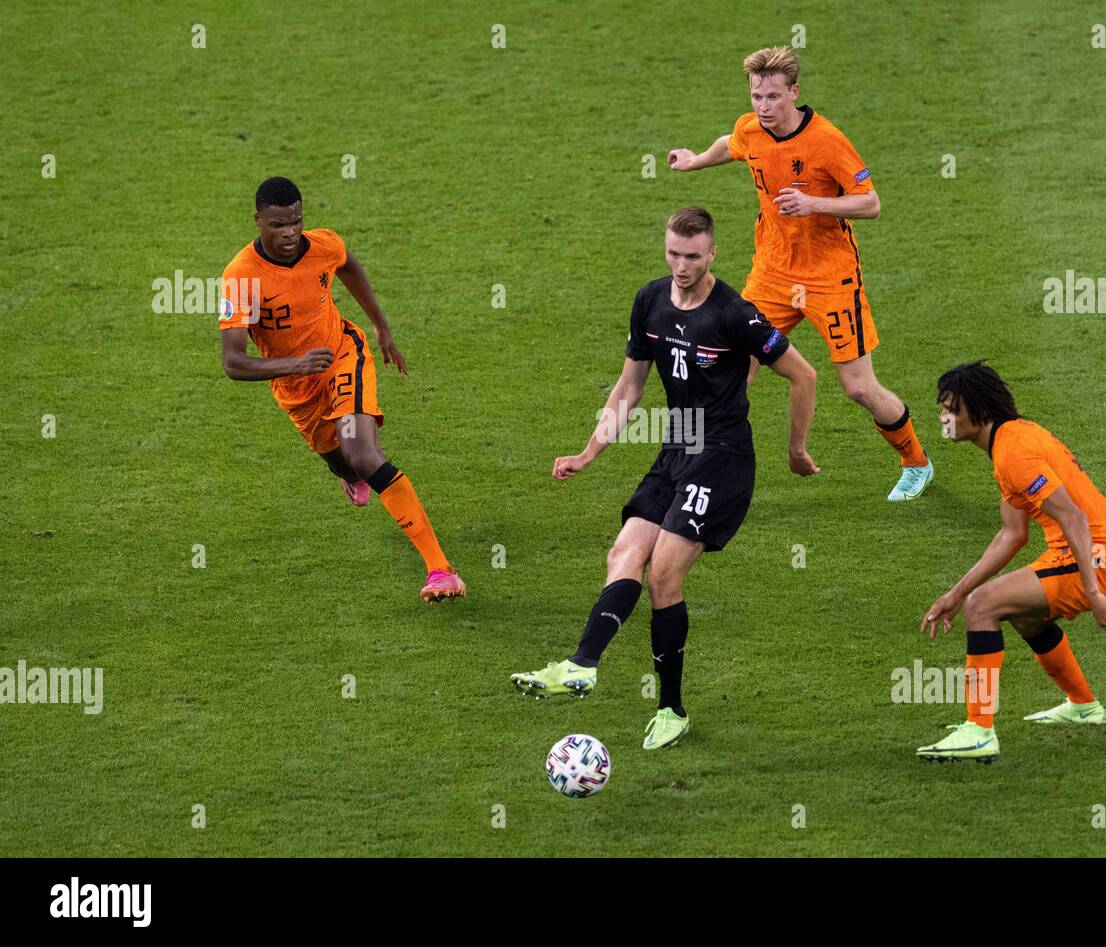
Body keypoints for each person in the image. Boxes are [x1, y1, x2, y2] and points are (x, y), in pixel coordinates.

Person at [510, 207, 818, 750]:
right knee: (623, 553)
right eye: (674, 253)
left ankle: (672, 709)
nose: (681, 265)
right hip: (676, 448)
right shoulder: (649, 300)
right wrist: (589, 452)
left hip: (722, 458)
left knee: (663, 577)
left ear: (713, 254)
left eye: (692, 256)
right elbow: (629, 388)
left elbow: (804, 375)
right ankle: (582, 665)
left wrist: (795, 449)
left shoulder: (736, 315)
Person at [668, 45, 932, 501]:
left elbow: (871, 202)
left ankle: (916, 463)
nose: (764, 107)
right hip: (771, 273)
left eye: (773, 97)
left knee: (858, 387)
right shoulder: (751, 128)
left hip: (830, 277)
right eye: (756, 97)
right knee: (731, 370)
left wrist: (815, 204)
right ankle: (700, 472)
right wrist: (694, 160)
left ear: (794, 92)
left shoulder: (826, 140)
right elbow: (731, 146)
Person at [219, 176, 465, 602]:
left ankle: (440, 569)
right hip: (296, 388)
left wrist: (381, 325)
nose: (290, 233)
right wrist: (296, 364)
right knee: (341, 462)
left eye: (295, 222)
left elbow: (348, 265)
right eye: (278, 225)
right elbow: (233, 363)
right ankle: (349, 472)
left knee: (363, 454)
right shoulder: (241, 278)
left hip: (340, 356)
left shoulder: (323, 245)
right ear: (258, 221)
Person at [917, 361, 1106, 762]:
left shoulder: (1014, 452)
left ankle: (979, 731)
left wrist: (1093, 593)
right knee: (1021, 613)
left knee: (984, 605)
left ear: (978, 411)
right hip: (1084, 551)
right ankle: (1084, 707)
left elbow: (1073, 517)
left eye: (951, 409)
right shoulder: (1007, 444)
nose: (943, 418)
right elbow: (1012, 535)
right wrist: (954, 593)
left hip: (1097, 555)